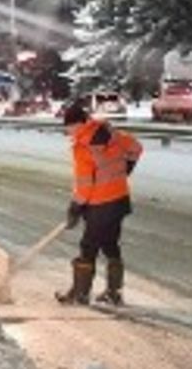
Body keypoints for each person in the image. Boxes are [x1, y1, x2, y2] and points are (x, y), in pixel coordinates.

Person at [56, 103, 143, 306]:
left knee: (88, 247)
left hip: (99, 204)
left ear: (79, 123)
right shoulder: (112, 134)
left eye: (69, 127)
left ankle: (80, 294)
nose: (68, 131)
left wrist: (75, 207)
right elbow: (136, 148)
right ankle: (114, 292)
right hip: (119, 199)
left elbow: (85, 186)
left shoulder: (82, 147)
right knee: (110, 244)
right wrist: (126, 168)